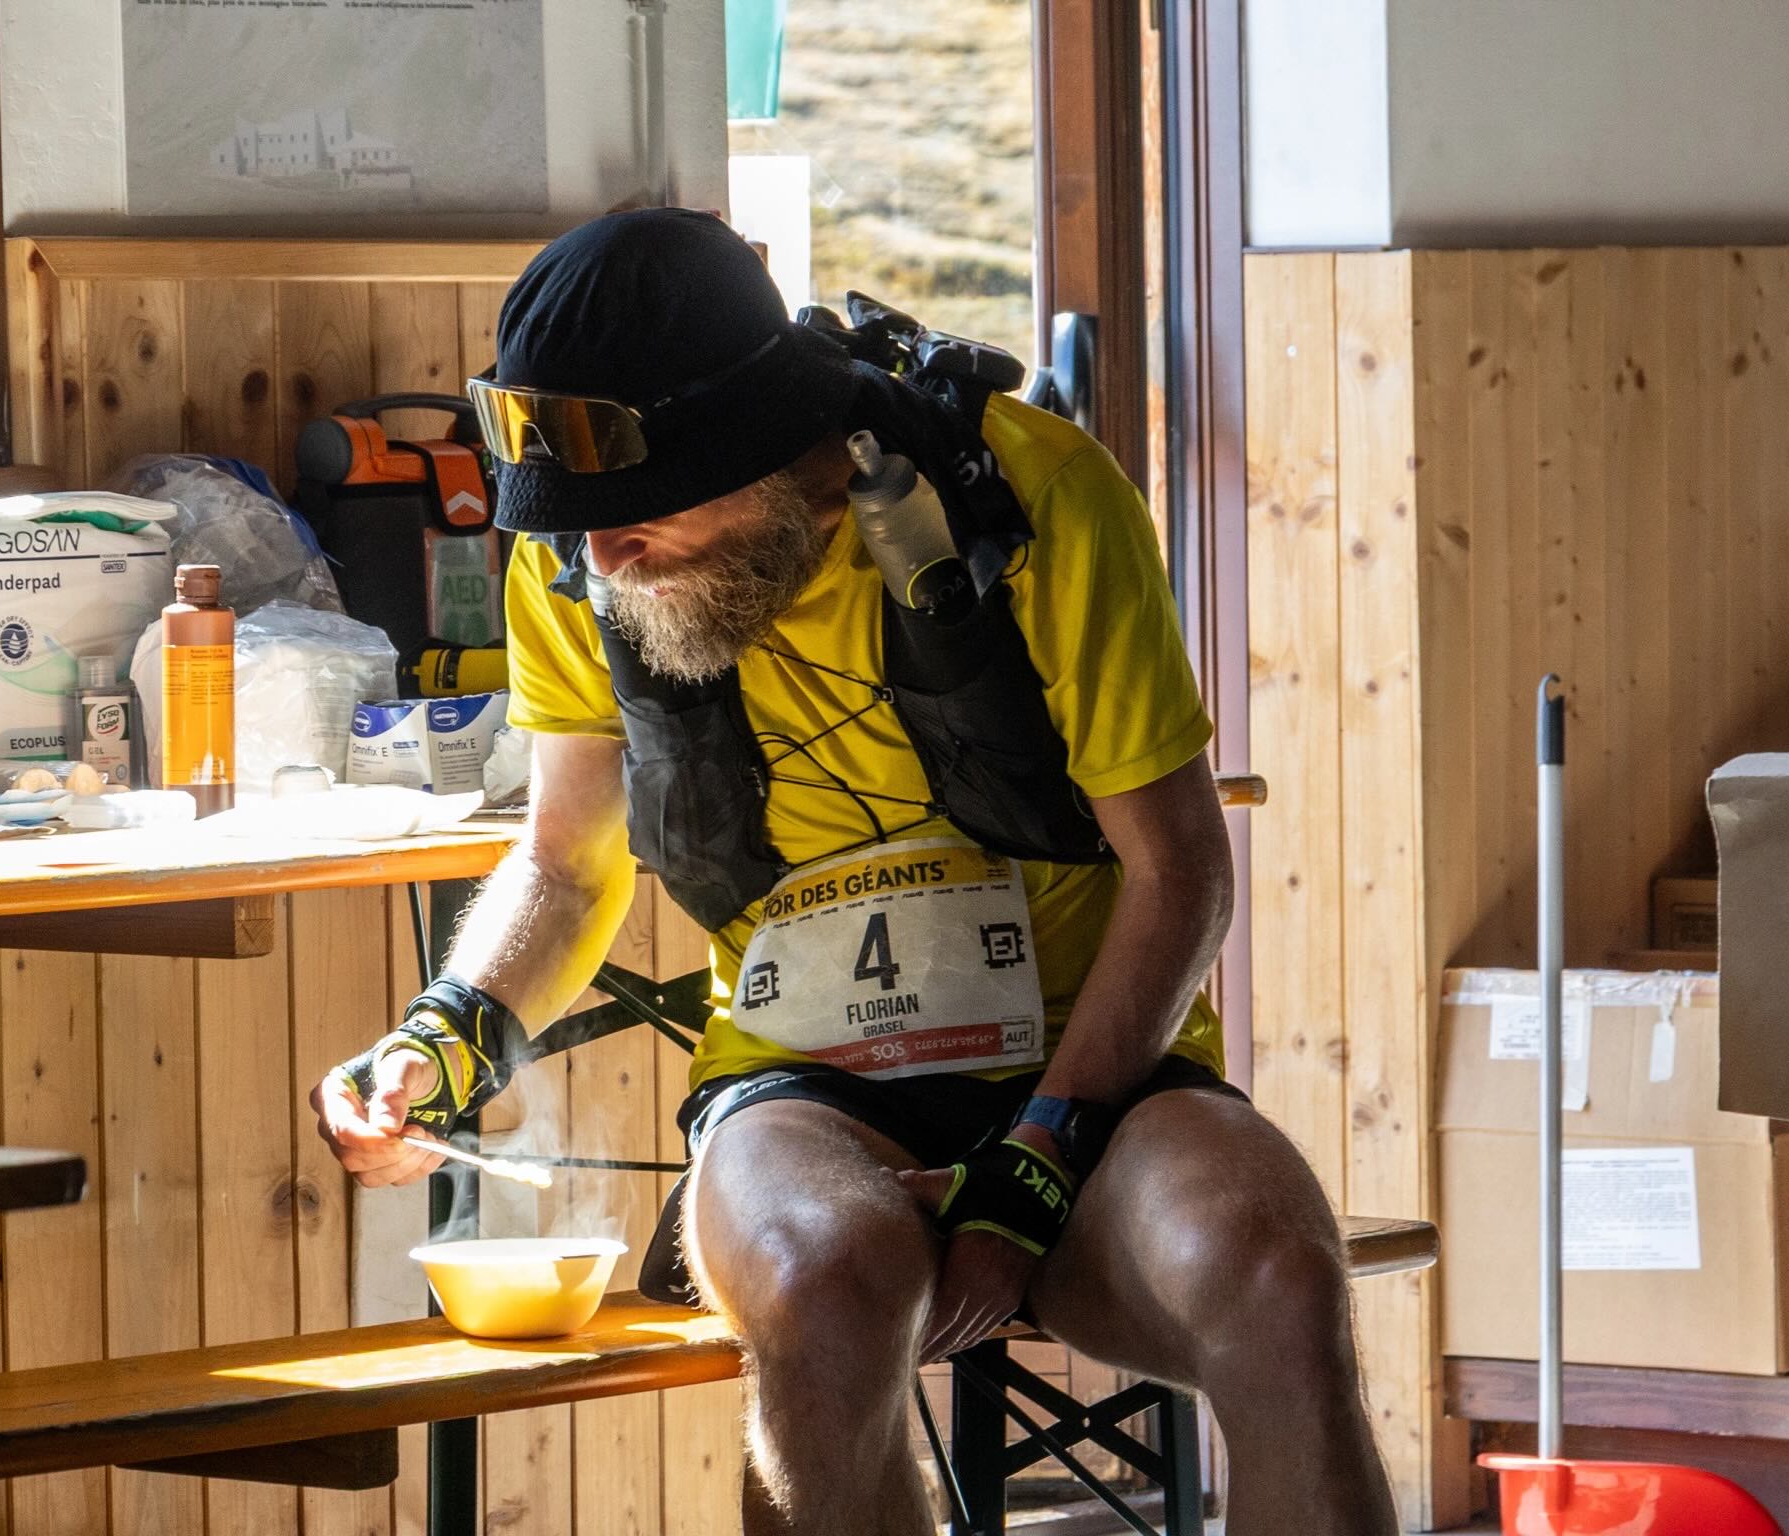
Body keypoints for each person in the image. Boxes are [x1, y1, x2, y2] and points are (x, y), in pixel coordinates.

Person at [311, 208, 1396, 1536]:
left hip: (1094, 1083)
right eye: (572, 528)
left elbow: (1180, 875)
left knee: (1279, 1275)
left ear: (769, 450)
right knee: (827, 1280)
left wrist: (1041, 1161)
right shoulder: (584, 568)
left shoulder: (1034, 496)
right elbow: (563, 864)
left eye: (634, 517)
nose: (598, 558)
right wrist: (445, 1033)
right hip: (801, 1090)